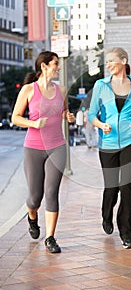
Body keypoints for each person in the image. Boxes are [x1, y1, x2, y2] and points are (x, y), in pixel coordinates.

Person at [12, 51, 75, 253]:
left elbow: (63, 112)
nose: (59, 67)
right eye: (56, 63)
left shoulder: (61, 90)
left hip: (57, 146)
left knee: (51, 193)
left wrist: (68, 116)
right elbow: (15, 117)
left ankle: (50, 238)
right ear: (44, 66)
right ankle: (32, 218)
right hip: (33, 147)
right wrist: (33, 123)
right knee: (34, 198)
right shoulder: (29, 90)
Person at [88, 47, 131, 249]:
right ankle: (106, 215)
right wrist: (101, 125)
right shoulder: (100, 85)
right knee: (112, 186)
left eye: (113, 61)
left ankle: (127, 234)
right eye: (107, 62)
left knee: (126, 187)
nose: (109, 65)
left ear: (124, 60)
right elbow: (91, 115)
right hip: (108, 143)